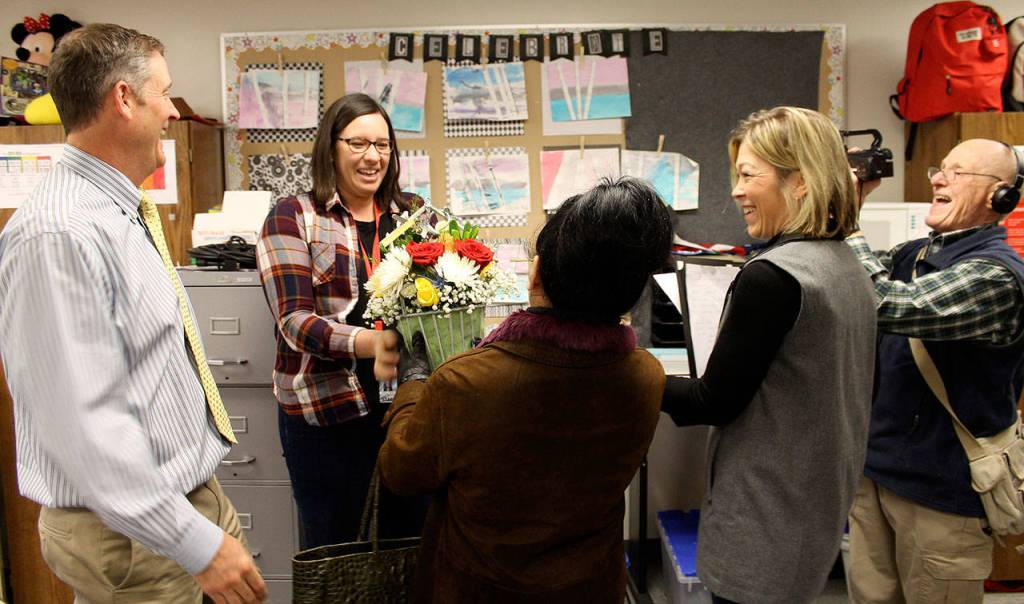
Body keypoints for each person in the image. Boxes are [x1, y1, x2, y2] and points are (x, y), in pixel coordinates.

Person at [0, 24, 266, 603]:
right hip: (132, 535)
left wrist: (204, 517)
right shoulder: (59, 233)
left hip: (179, 502)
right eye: (163, 93)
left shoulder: (119, 209)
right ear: (123, 98)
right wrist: (193, 542)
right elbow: (86, 426)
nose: (172, 111)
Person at [373, 177, 673, 602]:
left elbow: (401, 472)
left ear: (535, 273)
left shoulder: (465, 382)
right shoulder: (645, 376)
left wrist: (412, 383)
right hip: (589, 588)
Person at [660, 106, 877, 604]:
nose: (735, 191)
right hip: (810, 511)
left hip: (764, 518)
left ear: (799, 182)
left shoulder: (773, 276)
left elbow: (712, 401)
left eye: (746, 175)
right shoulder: (846, 265)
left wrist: (630, 371)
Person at [845, 139, 1024, 604]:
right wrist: (847, 198)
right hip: (876, 475)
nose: (939, 180)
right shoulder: (914, 255)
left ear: (999, 196)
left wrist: (844, 217)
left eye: (958, 173)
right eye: (939, 170)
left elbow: (885, 303)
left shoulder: (997, 276)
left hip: (941, 494)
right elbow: (850, 277)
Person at [256, 92, 424, 549]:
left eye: (383, 145)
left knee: (410, 545)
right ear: (331, 147)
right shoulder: (293, 217)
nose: (373, 157)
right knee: (336, 553)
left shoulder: (411, 214)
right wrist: (370, 345)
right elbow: (293, 321)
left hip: (405, 414)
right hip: (327, 418)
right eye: (358, 143)